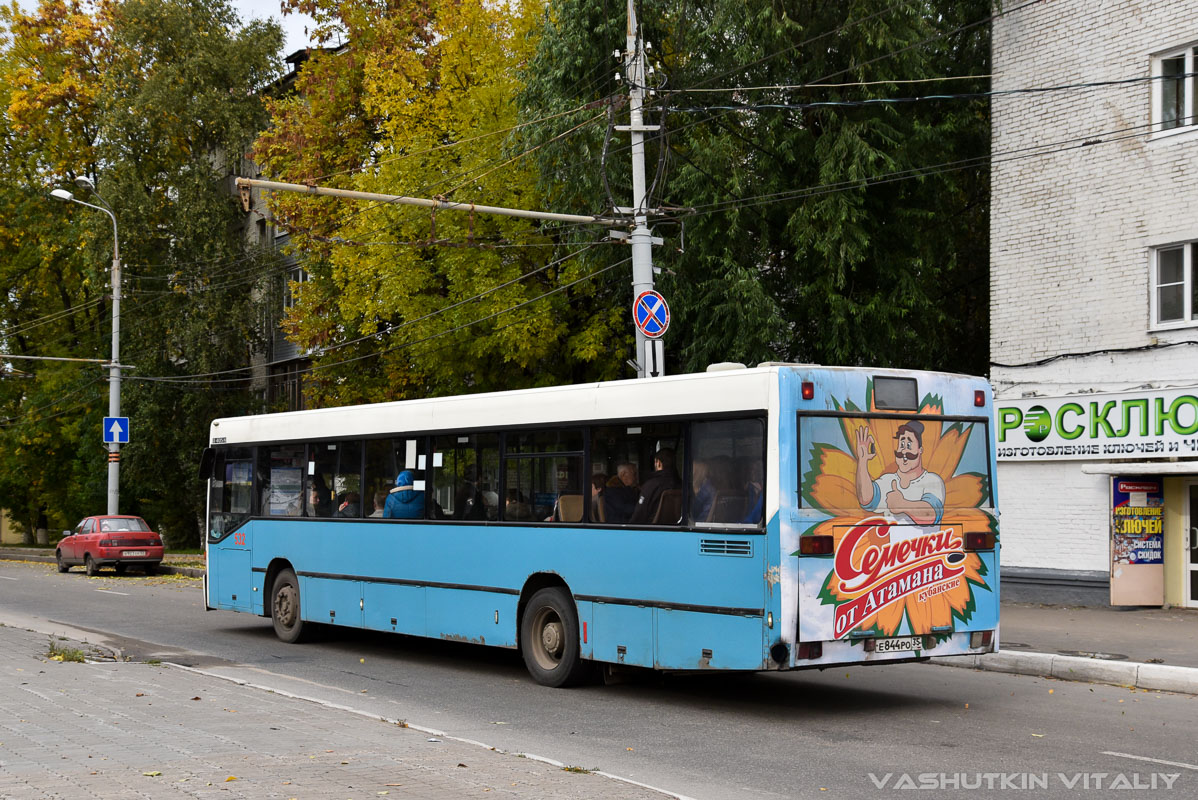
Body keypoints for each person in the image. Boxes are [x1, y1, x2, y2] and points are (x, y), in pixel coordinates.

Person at [853, 420, 945, 526]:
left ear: (920, 450)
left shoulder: (933, 480)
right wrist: (862, 461)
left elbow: (930, 515)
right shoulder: (888, 481)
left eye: (909, 445)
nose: (904, 451)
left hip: (930, 543)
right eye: (902, 444)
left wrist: (902, 504)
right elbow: (866, 499)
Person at [630, 448, 681, 524]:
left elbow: (639, 514)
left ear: (658, 463)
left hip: (651, 531)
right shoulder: (681, 483)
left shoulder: (651, 485)